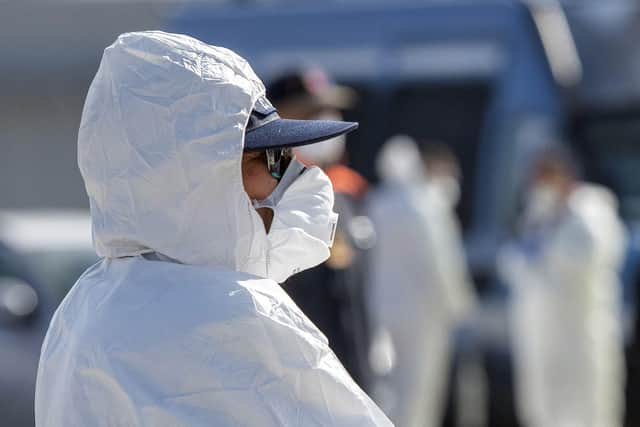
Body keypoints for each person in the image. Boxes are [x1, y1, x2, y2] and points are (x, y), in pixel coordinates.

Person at [34, 31, 392, 427]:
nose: (292, 177)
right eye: (273, 159)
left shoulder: (84, 306)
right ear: (201, 176)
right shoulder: (239, 310)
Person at [498, 145, 626, 427]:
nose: (538, 186)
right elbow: (514, 261)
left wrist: (546, 253)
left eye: (545, 177)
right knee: (544, 410)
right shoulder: (537, 216)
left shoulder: (591, 212)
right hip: (541, 337)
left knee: (586, 412)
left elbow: (586, 254)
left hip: (580, 337)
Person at [267, 69, 372, 385]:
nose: (326, 120)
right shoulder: (266, 198)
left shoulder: (341, 191)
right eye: (310, 113)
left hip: (344, 369)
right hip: (297, 377)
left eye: (328, 111)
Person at [366, 135, 476, 427]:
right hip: (423, 315)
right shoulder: (425, 206)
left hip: (381, 310)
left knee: (386, 388)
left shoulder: (376, 202)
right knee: (419, 390)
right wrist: (460, 308)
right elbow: (441, 264)